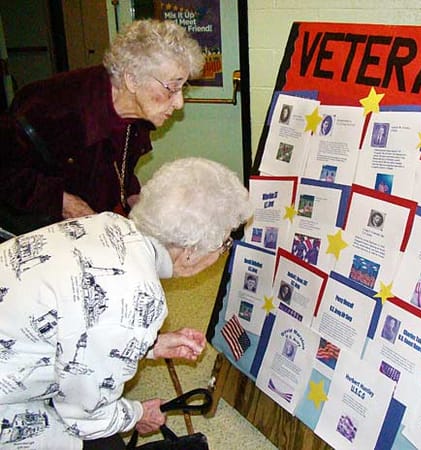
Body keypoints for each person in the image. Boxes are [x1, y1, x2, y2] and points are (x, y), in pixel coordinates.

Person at [0, 157, 253, 450]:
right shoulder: (137, 296)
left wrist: (148, 344)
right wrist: (135, 415)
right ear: (189, 252)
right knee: (104, 443)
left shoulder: (107, 223)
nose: (221, 253)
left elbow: (79, 320)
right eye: (223, 245)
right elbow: (85, 413)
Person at [0, 19, 204, 235]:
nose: (179, 102)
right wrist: (63, 201)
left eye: (183, 88)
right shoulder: (54, 107)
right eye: (172, 87)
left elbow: (116, 166)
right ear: (132, 80)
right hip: (26, 232)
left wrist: (137, 201)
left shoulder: (135, 112)